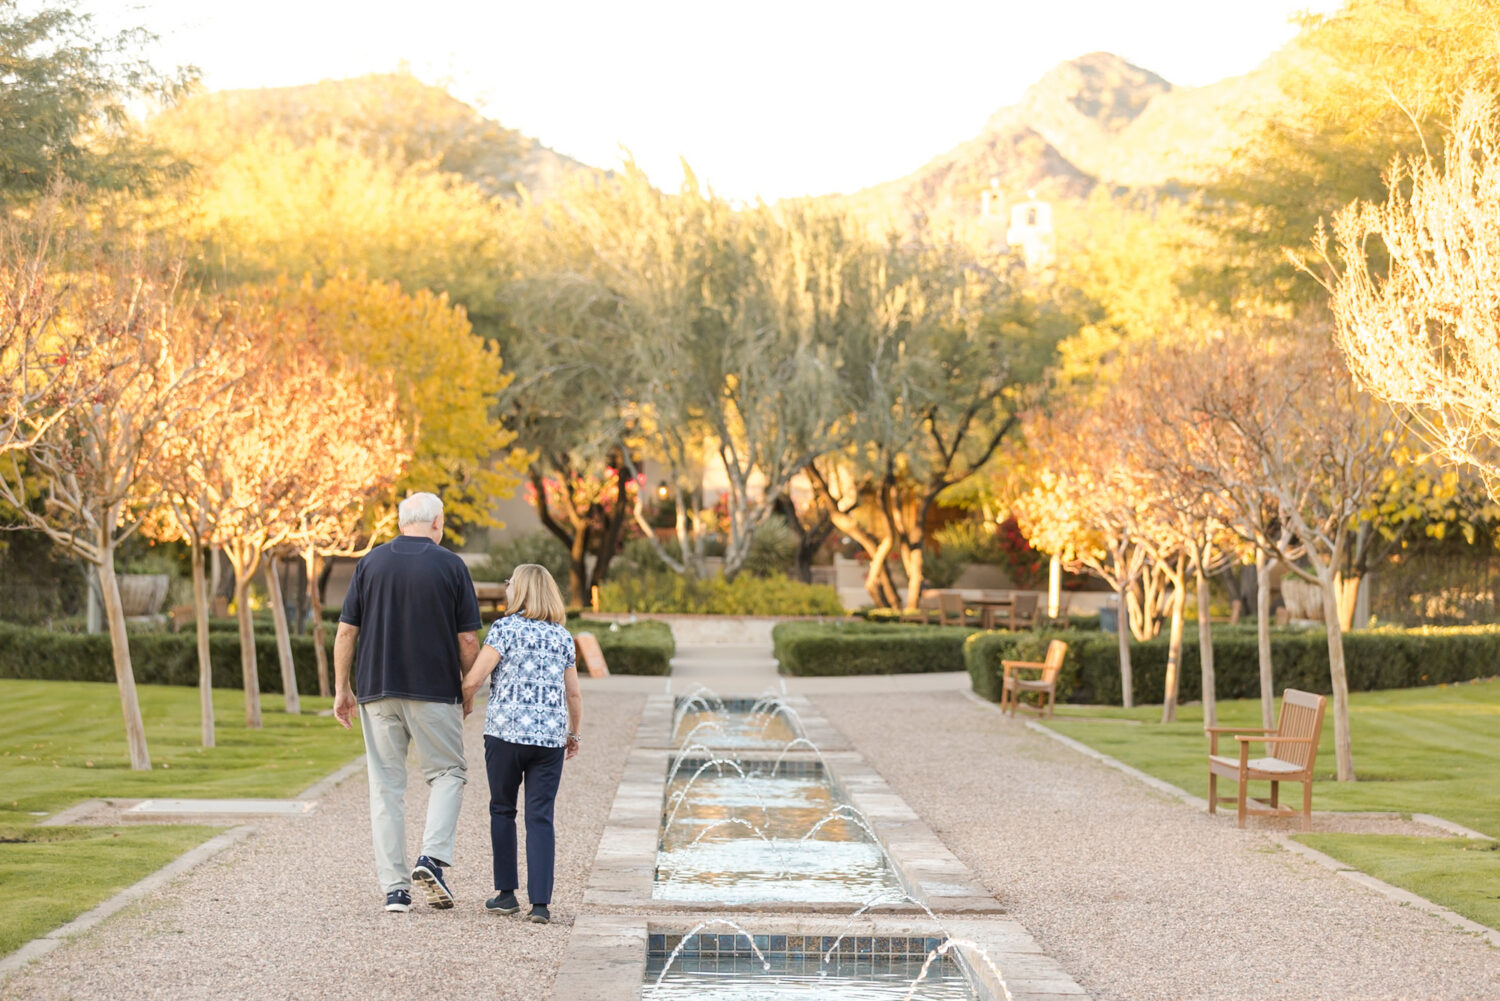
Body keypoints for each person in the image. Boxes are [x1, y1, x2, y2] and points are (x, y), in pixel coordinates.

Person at [333, 492, 481, 913]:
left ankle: (395, 890)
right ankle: (431, 858)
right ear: (437, 523)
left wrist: (343, 687)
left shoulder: (370, 563)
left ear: (401, 524)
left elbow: (346, 631)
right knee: (448, 772)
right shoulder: (451, 565)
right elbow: (468, 639)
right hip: (434, 690)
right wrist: (468, 689)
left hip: (376, 689)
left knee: (385, 788)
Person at [460, 563, 582, 925]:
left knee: (503, 809)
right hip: (548, 739)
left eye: (510, 583)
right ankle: (541, 905)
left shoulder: (505, 629)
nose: (507, 587)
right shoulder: (562, 636)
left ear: (522, 590)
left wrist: (465, 704)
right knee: (540, 816)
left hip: (505, 734)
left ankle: (506, 894)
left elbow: (475, 679)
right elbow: (573, 693)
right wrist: (574, 734)